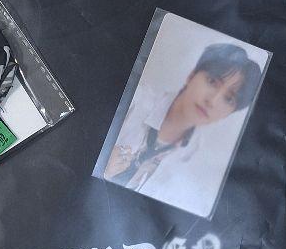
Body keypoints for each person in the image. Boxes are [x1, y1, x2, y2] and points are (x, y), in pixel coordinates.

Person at [103, 41, 263, 210]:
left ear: (229, 113)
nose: (212, 101)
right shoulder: (134, 99)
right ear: (191, 76)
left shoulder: (196, 161)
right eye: (212, 81)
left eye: (228, 98)